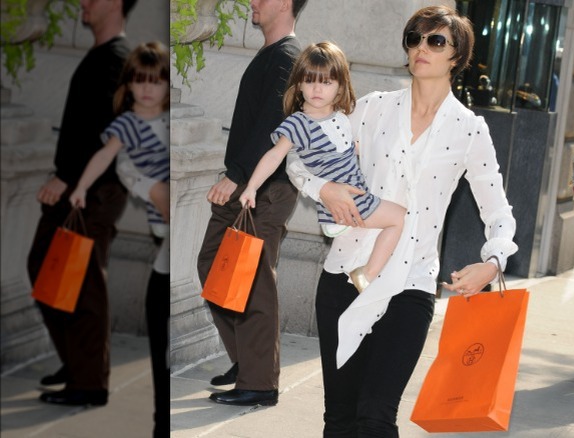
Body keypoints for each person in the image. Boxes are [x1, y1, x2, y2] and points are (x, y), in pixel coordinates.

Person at [286, 6, 517, 435]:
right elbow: (300, 152)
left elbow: (499, 214)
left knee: (375, 417)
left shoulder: (469, 129)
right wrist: (323, 189)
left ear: (457, 56)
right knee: (339, 417)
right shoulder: (372, 109)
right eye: (414, 38)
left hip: (411, 283)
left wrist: (493, 262)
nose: (421, 48)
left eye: (435, 41)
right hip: (346, 276)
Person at [197, 0, 309, 406]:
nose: (252, 3)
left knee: (255, 284)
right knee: (213, 267)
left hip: (264, 189)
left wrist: (236, 173)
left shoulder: (290, 58)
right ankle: (248, 360)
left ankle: (259, 384)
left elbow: (273, 125)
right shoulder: (272, 54)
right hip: (249, 189)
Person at [28, 0, 138, 406]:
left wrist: (65, 176)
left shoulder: (118, 60)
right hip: (82, 190)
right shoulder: (103, 57)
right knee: (46, 271)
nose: (83, 4)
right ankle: (78, 363)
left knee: (83, 286)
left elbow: (108, 133)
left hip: (92, 191)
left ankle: (89, 383)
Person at [238, 42, 406, 292]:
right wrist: (252, 187)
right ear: (298, 85)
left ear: (340, 87)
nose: (317, 88)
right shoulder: (298, 123)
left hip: (353, 196)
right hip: (347, 203)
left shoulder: (340, 117)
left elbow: (348, 149)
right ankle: (368, 275)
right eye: (309, 81)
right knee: (400, 218)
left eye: (326, 82)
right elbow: (275, 156)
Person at [68, 41, 170, 435]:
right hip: (159, 217)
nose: (147, 90)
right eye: (140, 82)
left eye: (156, 82)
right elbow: (104, 157)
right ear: (128, 85)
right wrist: (81, 186)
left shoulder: (170, 118)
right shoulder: (126, 124)